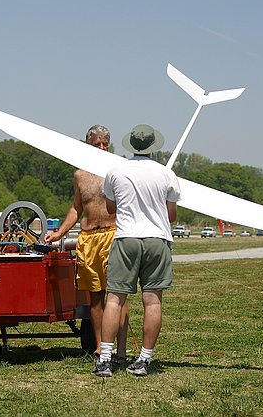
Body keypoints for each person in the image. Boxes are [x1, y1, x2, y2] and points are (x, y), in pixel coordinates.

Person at [93, 124, 180, 377]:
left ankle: (105, 360)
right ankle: (144, 360)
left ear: (130, 146)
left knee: (114, 299)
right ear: (154, 147)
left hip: (126, 238)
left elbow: (111, 208)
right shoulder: (166, 174)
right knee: (152, 301)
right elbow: (171, 215)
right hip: (157, 239)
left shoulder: (116, 171)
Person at [44, 125, 129, 363]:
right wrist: (60, 232)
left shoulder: (118, 170)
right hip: (88, 238)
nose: (101, 148)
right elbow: (76, 208)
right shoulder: (80, 174)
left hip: (113, 234)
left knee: (117, 294)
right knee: (94, 297)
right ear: (87, 145)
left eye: (105, 144)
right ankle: (101, 348)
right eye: (96, 145)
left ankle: (120, 351)